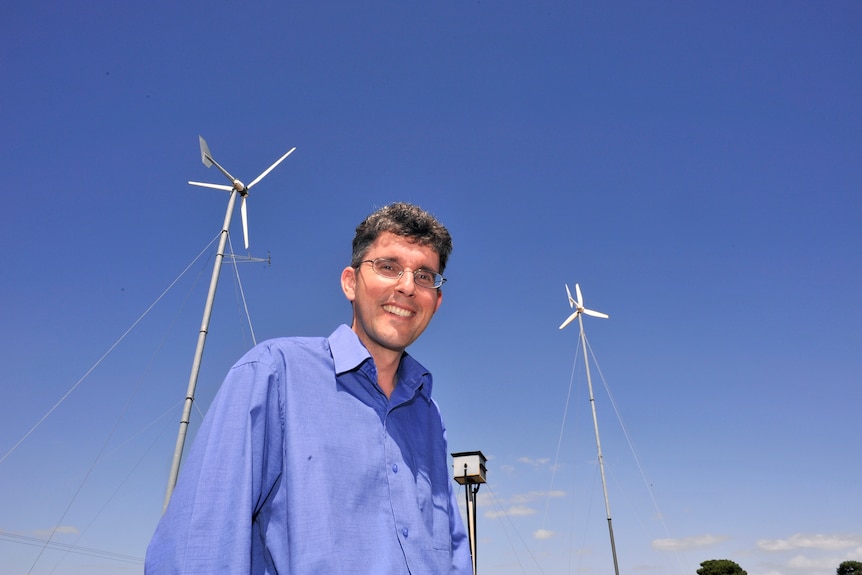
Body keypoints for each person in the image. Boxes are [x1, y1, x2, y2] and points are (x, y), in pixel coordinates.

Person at [145, 202, 473, 574]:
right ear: (350, 282)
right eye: (388, 267)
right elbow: (199, 546)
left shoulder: (428, 415)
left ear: (437, 300)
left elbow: (452, 551)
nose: (407, 287)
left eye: (425, 276)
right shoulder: (273, 374)